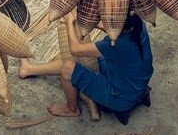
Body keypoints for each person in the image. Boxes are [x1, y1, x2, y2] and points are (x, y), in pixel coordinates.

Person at [18, 12, 154, 117]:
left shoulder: (115, 45)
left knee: (68, 67)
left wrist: (70, 23)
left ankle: (71, 109)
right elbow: (114, 30)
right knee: (78, 61)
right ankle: (28, 70)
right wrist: (87, 20)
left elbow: (75, 49)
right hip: (136, 82)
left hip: (119, 97)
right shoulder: (136, 23)